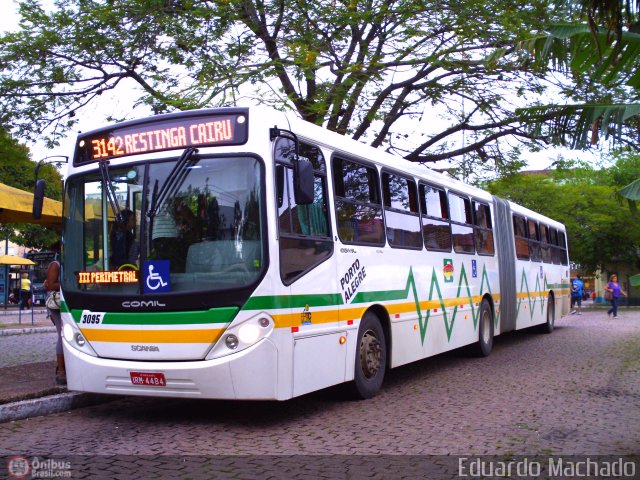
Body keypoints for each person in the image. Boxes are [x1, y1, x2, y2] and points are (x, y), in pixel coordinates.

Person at [46, 241, 65, 385]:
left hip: (66, 301)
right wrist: (68, 283)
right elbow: (51, 284)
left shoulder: (66, 263)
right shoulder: (55, 265)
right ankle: (61, 371)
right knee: (62, 335)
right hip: (57, 304)